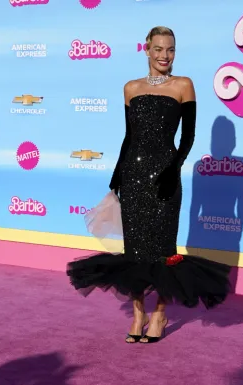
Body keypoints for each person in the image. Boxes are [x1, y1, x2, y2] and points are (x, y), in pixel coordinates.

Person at [66, 26, 230, 344]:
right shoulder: (130, 88)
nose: (164, 55)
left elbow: (189, 136)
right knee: (135, 252)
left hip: (166, 177)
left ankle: (160, 314)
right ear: (146, 49)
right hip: (134, 177)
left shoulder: (183, 86)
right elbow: (129, 137)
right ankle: (139, 313)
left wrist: (173, 169)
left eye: (170, 49)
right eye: (158, 49)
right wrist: (117, 174)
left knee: (163, 251)